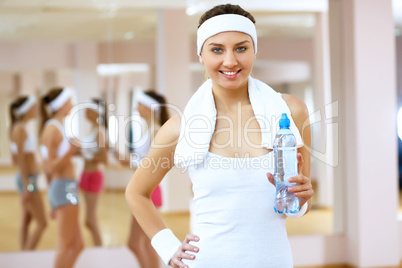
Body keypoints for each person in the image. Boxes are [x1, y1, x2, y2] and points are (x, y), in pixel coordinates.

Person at [125, 4, 313, 268]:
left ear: (254, 50)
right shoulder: (181, 127)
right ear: (201, 54)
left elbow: (298, 207)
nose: (230, 61)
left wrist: (302, 199)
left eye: (241, 48)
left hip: (274, 260)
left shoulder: (291, 112)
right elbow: (136, 192)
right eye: (216, 49)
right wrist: (168, 248)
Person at [116, 90, 168, 268]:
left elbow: (153, 164)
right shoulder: (149, 129)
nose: (136, 108)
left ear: (148, 107)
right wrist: (127, 160)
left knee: (145, 243)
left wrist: (129, 160)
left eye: (139, 104)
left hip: (149, 192)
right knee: (140, 243)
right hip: (142, 192)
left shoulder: (156, 131)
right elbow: (143, 163)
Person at [40, 87, 83, 268]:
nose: (72, 105)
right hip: (64, 188)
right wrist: (71, 151)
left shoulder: (57, 127)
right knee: (64, 246)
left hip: (66, 188)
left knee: (78, 245)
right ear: (62, 104)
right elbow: (49, 167)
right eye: (69, 101)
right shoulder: (52, 130)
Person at [9, 95, 47, 250]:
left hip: (28, 179)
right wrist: (27, 186)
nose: (36, 110)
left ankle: (23, 255)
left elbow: (15, 159)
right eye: (34, 107)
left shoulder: (21, 127)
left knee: (26, 220)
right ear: (26, 110)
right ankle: (28, 254)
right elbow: (20, 160)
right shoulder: (19, 129)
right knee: (42, 223)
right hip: (28, 181)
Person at [79, 98, 108, 247]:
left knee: (90, 220)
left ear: (95, 112)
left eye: (87, 110)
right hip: (85, 175)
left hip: (94, 176)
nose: (85, 113)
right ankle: (98, 248)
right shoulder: (90, 129)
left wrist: (87, 155)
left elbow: (104, 157)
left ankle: (100, 247)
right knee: (90, 219)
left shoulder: (99, 131)